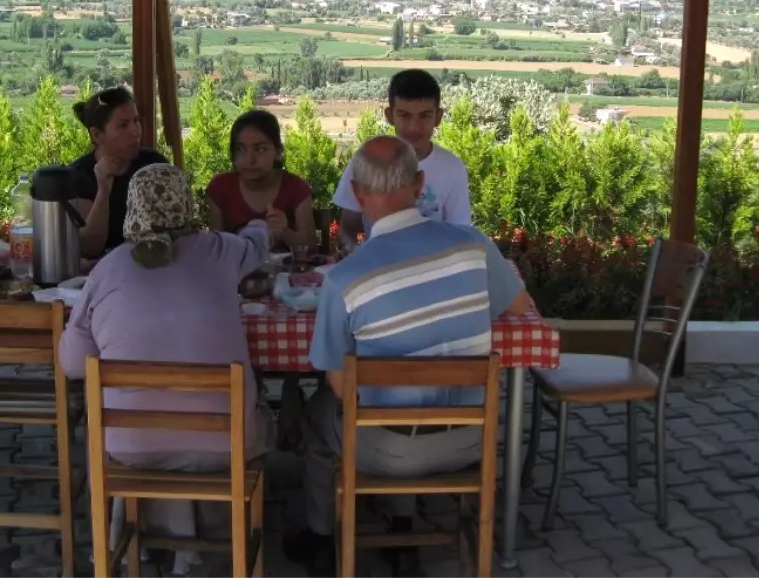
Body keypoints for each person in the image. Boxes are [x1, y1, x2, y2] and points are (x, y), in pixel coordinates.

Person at [285, 136, 531, 576]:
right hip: (472, 441)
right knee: (385, 404)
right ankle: (405, 525)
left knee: (321, 414)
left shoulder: (345, 280)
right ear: (419, 184)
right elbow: (518, 307)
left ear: (358, 196)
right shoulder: (473, 246)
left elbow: (342, 389)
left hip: (384, 451)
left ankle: (321, 537)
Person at [58, 164, 280, 565]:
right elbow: (256, 245)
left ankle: (145, 538)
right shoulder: (219, 250)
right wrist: (260, 226)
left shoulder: (107, 270)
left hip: (134, 450)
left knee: (116, 416)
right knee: (263, 413)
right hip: (226, 447)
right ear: (187, 205)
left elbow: (73, 364)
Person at [333, 69, 470, 251]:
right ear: (390, 116)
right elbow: (348, 227)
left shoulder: (453, 168)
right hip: (377, 266)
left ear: (438, 117)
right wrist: (354, 252)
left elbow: (459, 234)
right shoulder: (367, 158)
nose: (414, 127)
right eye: (404, 115)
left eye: (425, 116)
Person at [69, 86, 169, 257]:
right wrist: (103, 192)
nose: (135, 132)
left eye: (136, 121)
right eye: (123, 125)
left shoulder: (154, 165)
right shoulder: (79, 176)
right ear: (97, 135)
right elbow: (89, 248)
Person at [206, 109, 318, 252]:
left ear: (278, 152)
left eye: (260, 149)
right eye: (241, 149)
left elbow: (313, 250)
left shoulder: (297, 188)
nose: (250, 160)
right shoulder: (220, 188)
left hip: (287, 273)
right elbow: (216, 249)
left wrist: (286, 232)